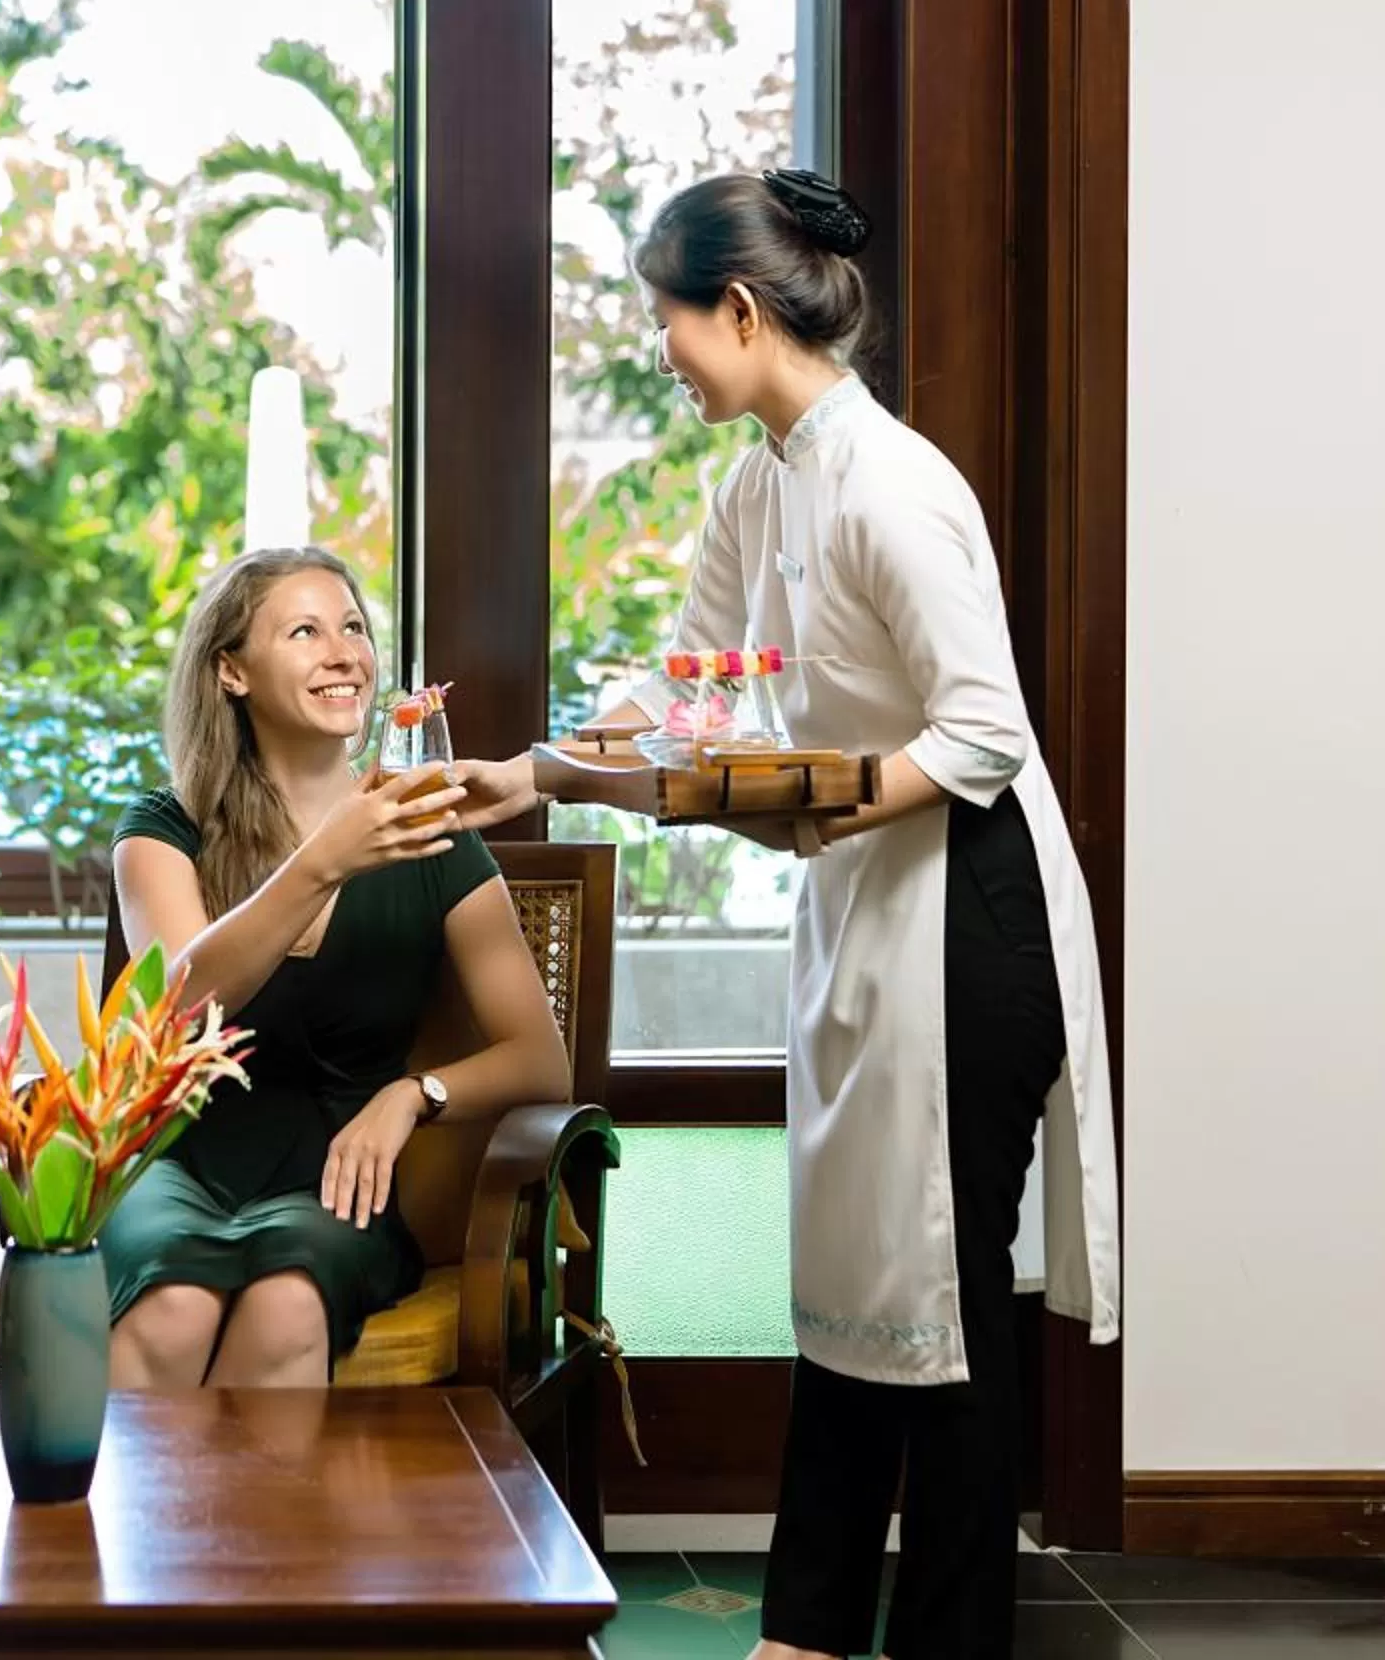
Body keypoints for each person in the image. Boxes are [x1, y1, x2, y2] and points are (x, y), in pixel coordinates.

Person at [451, 170, 1121, 1660]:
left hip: (969, 917)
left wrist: (826, 800)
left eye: (669, 324)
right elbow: (686, 681)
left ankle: (948, 1640)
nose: (666, 353)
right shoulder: (759, 480)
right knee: (848, 1288)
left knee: (936, 1304)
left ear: (741, 312)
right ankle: (808, 1627)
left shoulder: (892, 485)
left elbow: (984, 734)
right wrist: (541, 770)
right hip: (868, 911)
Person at [104, 547, 572, 1388]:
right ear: (230, 671)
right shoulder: (164, 829)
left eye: (352, 627)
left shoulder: (433, 834)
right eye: (304, 631)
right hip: (180, 1165)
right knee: (172, 1306)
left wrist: (413, 1095)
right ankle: (151, 1523)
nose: (342, 653)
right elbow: (178, 1011)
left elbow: (540, 1059)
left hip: (338, 1191)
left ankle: (269, 1525)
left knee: (286, 1302)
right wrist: (323, 860)